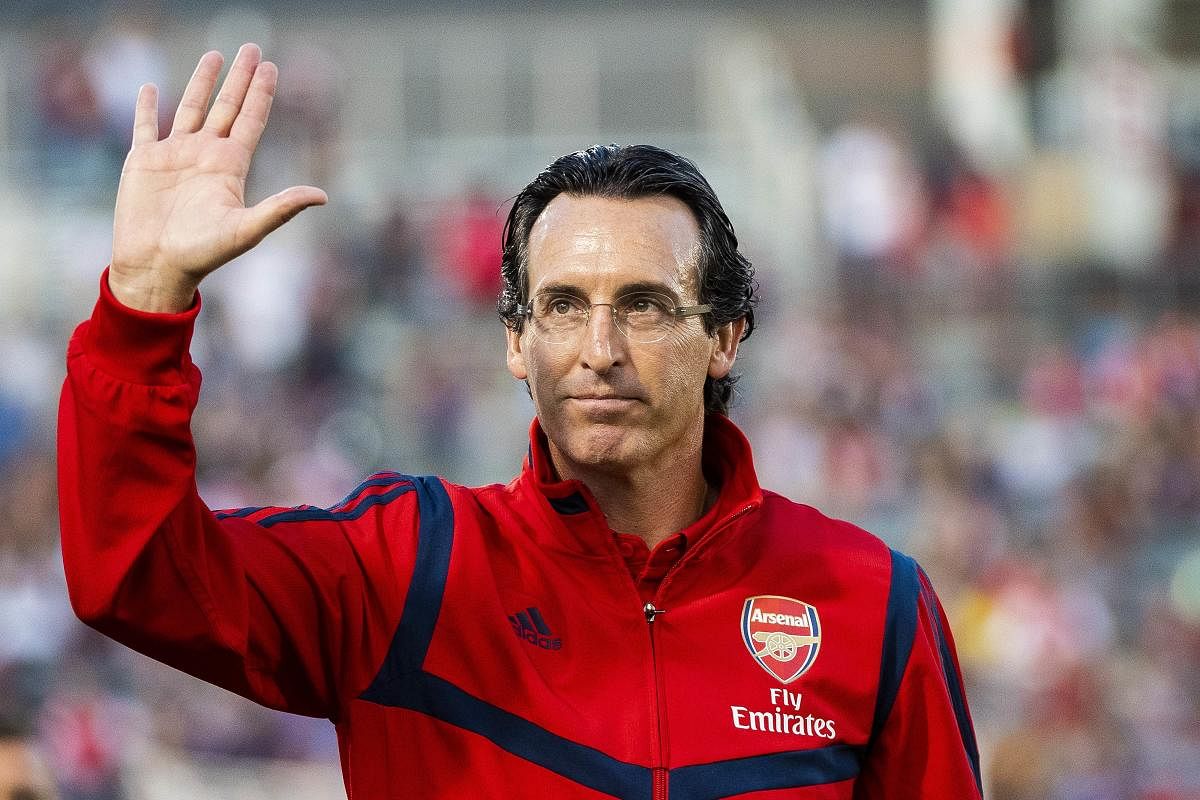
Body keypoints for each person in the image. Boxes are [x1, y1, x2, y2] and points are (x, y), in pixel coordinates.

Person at [57, 44, 983, 798]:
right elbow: (135, 577)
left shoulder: (872, 601)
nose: (600, 347)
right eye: (564, 305)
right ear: (515, 341)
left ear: (725, 337)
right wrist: (142, 306)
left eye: (647, 305)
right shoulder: (404, 571)